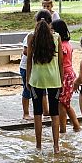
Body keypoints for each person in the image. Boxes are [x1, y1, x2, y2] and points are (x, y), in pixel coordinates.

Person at [26, 9, 63, 153]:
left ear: (36, 22)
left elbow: (29, 61)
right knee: (54, 113)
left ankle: (38, 145)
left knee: (37, 113)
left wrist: (28, 80)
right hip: (54, 79)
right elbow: (60, 62)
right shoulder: (57, 37)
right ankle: (56, 146)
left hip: (36, 80)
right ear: (50, 22)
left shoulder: (31, 37)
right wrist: (61, 80)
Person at [51, 20, 82, 133]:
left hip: (65, 75)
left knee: (62, 104)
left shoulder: (61, 46)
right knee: (66, 103)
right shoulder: (67, 44)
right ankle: (76, 126)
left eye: (52, 29)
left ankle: (63, 130)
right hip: (69, 74)